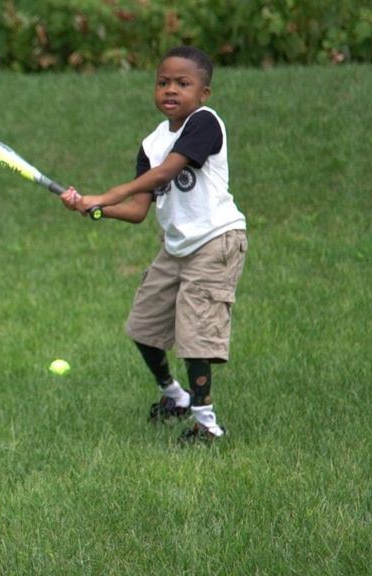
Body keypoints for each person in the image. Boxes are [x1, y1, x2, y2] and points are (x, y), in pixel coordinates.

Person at [61, 46, 247, 444]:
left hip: (215, 240)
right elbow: (138, 210)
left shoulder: (205, 123)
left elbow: (170, 170)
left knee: (195, 333)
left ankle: (207, 423)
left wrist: (105, 195)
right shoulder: (150, 144)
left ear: (204, 93)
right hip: (176, 247)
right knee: (143, 327)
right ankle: (174, 397)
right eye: (163, 82)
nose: (171, 90)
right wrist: (93, 209)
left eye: (183, 83)